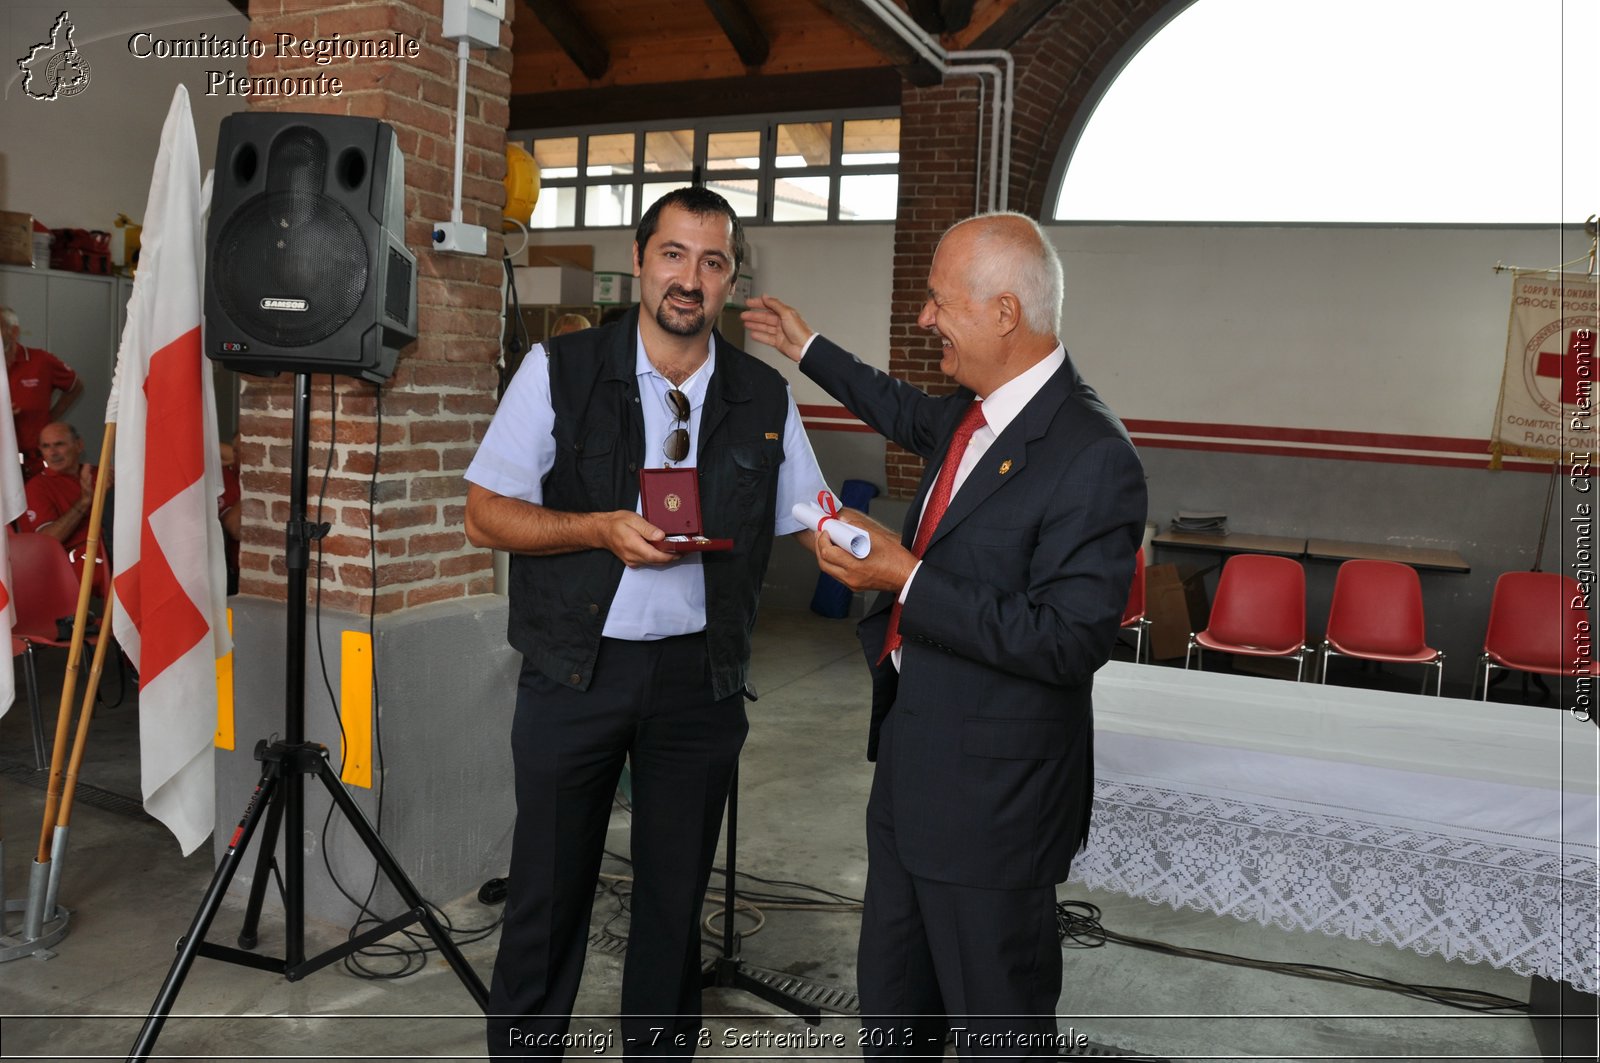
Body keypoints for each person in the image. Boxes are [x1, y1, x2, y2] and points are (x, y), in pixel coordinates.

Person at [742, 212, 1148, 1057]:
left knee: (995, 1027)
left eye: (937, 301)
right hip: (912, 770)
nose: (924, 319)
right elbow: (897, 407)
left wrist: (905, 576)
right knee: (895, 1012)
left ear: (1005, 312)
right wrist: (806, 345)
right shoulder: (973, 414)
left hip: (996, 807)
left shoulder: (1092, 456)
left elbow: (1068, 643)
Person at [464, 186, 830, 1059]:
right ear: (639, 258)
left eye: (712, 261)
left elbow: (819, 516)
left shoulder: (762, 397)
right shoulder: (558, 370)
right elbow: (485, 515)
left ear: (731, 280)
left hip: (697, 685)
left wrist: (912, 560)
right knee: (546, 898)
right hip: (572, 673)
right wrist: (596, 527)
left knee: (672, 910)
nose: (689, 278)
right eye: (674, 254)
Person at [20, 421, 109, 597]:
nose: (53, 453)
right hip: (76, 559)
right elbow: (48, 540)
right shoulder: (38, 486)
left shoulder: (101, 474)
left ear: (79, 445)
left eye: (59, 444)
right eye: (46, 446)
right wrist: (84, 502)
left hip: (113, 546)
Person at [3, 306, 84, 478]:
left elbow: (75, 386)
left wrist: (50, 418)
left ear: (14, 332)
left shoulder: (40, 361)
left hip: (35, 463)